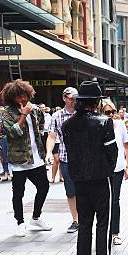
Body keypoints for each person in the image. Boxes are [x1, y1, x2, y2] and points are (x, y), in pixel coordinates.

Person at [63, 80, 120, 255]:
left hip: (79, 179)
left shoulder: (67, 124)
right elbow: (112, 151)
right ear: (96, 101)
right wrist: (108, 169)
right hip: (100, 178)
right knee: (103, 221)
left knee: (84, 221)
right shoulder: (103, 122)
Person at [0, 80, 52, 237]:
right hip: (19, 160)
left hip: (36, 157)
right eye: (18, 97)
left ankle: (35, 217)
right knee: (18, 193)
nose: (22, 100)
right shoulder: (7, 113)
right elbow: (14, 132)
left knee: (44, 187)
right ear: (12, 98)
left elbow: (42, 125)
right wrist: (23, 115)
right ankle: (20, 222)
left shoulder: (34, 110)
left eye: (24, 96)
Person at [46, 87, 80, 233]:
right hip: (66, 157)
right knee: (70, 191)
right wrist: (48, 153)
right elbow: (52, 136)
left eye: (76, 99)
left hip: (84, 158)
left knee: (84, 190)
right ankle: (76, 220)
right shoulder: (57, 116)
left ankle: (85, 218)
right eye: (71, 98)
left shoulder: (82, 113)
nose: (74, 101)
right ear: (64, 98)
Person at [101, 99, 128, 246]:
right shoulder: (98, 125)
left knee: (115, 200)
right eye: (107, 112)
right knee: (101, 202)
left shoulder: (120, 125)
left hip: (118, 168)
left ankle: (115, 233)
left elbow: (127, 146)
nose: (111, 115)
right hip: (101, 170)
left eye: (112, 112)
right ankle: (102, 232)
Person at [0, 106, 11, 182]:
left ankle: (12, 173)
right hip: (3, 140)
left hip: (12, 140)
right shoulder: (1, 122)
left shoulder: (13, 121)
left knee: (11, 157)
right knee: (4, 156)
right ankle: (6, 173)